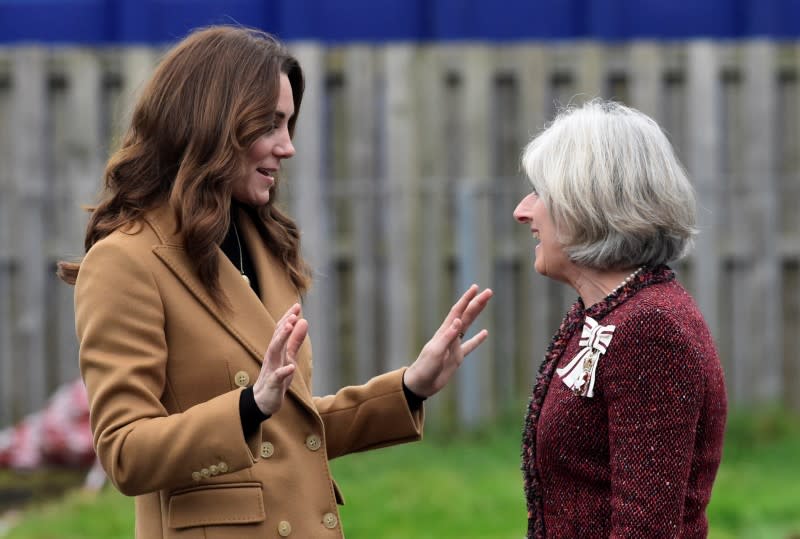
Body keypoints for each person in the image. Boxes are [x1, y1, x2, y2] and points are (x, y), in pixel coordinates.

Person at [57, 25, 492, 539]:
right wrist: (248, 406)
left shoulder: (262, 244)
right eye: (270, 124)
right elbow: (125, 453)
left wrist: (407, 388)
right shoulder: (125, 262)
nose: (286, 147)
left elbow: (289, 430)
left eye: (289, 125)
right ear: (212, 125)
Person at [513, 100, 727, 538]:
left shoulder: (651, 329)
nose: (523, 211)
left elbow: (644, 528)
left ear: (588, 202)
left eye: (541, 193)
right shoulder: (608, 313)